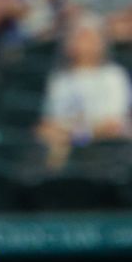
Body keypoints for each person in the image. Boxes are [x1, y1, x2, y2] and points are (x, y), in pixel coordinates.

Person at [37, 14, 132, 169]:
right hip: (65, 142)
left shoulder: (114, 76)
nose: (84, 43)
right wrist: (73, 133)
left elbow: (114, 123)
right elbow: (50, 122)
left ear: (102, 43)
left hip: (105, 145)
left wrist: (78, 135)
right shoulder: (60, 79)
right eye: (79, 37)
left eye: (89, 38)